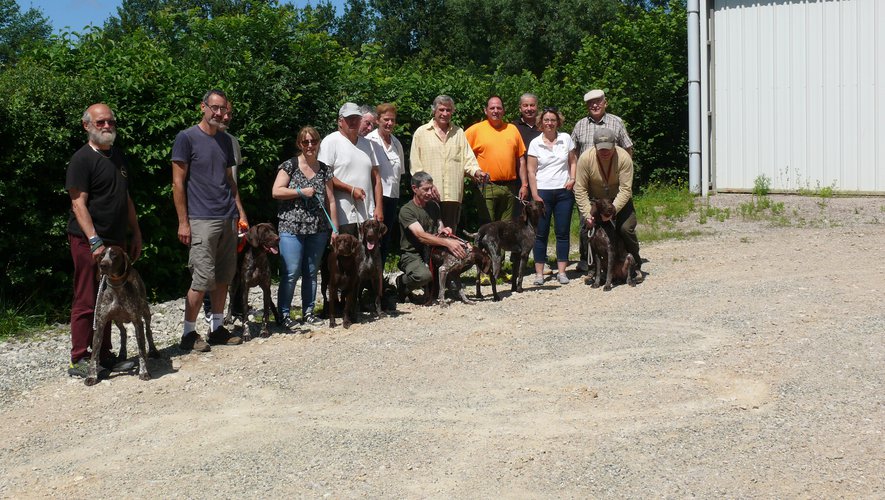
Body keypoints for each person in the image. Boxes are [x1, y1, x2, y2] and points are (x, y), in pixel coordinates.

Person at [65, 103, 140, 378]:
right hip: (89, 242)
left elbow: (126, 197)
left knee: (109, 298)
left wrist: (136, 231)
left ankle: (104, 355)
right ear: (87, 126)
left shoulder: (118, 157)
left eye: (110, 122)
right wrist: (94, 240)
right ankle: (79, 358)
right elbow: (78, 204)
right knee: (87, 297)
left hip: (116, 243)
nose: (107, 126)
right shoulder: (81, 159)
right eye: (100, 123)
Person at [172, 89, 248, 352]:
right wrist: (183, 222)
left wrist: (241, 214)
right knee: (201, 279)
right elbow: (178, 182)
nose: (218, 113)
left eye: (222, 108)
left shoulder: (226, 141)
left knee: (224, 276)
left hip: (227, 216)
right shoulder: (186, 138)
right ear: (202, 107)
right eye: (213, 107)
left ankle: (216, 328)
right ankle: (188, 334)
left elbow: (230, 181)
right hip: (201, 219)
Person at [273, 126, 336, 328]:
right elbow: (276, 191)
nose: (310, 146)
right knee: (291, 272)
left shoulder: (325, 169)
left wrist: (335, 228)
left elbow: (331, 200)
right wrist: (300, 191)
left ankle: (308, 311)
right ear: (299, 144)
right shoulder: (289, 166)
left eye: (313, 141)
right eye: (305, 142)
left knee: (311, 271)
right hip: (291, 226)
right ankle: (284, 314)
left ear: (318, 143)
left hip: (317, 228)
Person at [574, 128, 643, 282]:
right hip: (596, 201)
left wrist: (612, 212)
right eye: (601, 148)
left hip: (619, 198)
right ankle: (592, 268)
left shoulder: (624, 158)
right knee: (587, 231)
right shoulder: (585, 159)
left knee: (626, 229)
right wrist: (588, 214)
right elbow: (580, 190)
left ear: (614, 145)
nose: (604, 151)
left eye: (608, 147)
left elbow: (626, 189)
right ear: (594, 146)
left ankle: (635, 265)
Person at [410, 95, 484, 231]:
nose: (445, 114)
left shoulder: (459, 133)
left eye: (448, 110)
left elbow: (468, 160)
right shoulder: (421, 133)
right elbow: (416, 166)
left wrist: (477, 172)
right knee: (429, 234)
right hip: (428, 195)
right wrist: (427, 187)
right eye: (442, 110)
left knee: (450, 235)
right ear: (434, 111)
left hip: (452, 195)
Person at [395, 171, 468, 300]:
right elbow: (421, 235)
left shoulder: (434, 206)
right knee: (424, 276)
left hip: (432, 251)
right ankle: (402, 282)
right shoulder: (406, 210)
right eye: (425, 189)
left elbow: (440, 227)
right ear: (414, 189)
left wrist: (446, 230)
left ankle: (438, 283)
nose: (430, 193)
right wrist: (448, 243)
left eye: (431, 188)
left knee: (468, 254)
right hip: (412, 253)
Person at [202, 100, 243, 323]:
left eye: (229, 113)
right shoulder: (197, 139)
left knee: (229, 265)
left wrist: (240, 211)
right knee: (207, 265)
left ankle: (232, 310)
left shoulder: (232, 142)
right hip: (206, 212)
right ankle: (209, 311)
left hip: (230, 210)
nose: (225, 117)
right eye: (221, 111)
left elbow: (233, 180)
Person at [527, 107, 577, 286]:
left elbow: (573, 161)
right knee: (541, 234)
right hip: (542, 194)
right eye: (546, 120)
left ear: (558, 122)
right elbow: (531, 171)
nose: (549, 123)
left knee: (562, 233)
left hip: (564, 192)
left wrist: (572, 179)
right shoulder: (535, 143)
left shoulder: (566, 139)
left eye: (553, 120)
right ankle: (539, 274)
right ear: (541, 122)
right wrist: (534, 193)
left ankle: (562, 272)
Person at [319, 102, 382, 237]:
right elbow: (324, 176)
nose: (353, 122)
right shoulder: (330, 141)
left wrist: (379, 207)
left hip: (367, 213)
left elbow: (376, 178)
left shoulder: (368, 144)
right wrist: (350, 189)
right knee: (341, 253)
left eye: (357, 118)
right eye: (349, 119)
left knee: (365, 254)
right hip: (342, 214)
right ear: (340, 121)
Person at [465, 96, 527, 224]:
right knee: (488, 228)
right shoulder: (475, 130)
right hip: (487, 186)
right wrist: (471, 175)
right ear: (485, 110)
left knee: (507, 228)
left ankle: (504, 246)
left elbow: (521, 159)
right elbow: (462, 156)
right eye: (492, 108)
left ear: (503, 111)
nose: (495, 111)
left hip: (510, 187)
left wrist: (524, 185)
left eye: (499, 108)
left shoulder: (512, 129)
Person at [365, 103, 405, 265]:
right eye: (386, 120)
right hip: (375, 197)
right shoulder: (369, 140)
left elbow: (399, 173)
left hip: (392, 197)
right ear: (377, 120)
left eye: (392, 120)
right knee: (370, 239)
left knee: (385, 238)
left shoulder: (397, 144)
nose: (389, 123)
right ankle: (365, 280)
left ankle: (379, 280)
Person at [571, 89, 634, 159]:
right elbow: (573, 151)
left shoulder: (617, 122)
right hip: (586, 169)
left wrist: (627, 168)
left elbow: (627, 148)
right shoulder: (580, 125)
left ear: (605, 103)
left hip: (612, 169)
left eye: (598, 101)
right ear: (587, 106)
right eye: (590, 102)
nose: (594, 105)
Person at [513, 93, 541, 159]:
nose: (529, 109)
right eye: (525, 105)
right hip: (520, 168)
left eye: (532, 105)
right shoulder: (513, 127)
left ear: (537, 107)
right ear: (520, 108)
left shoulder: (543, 126)